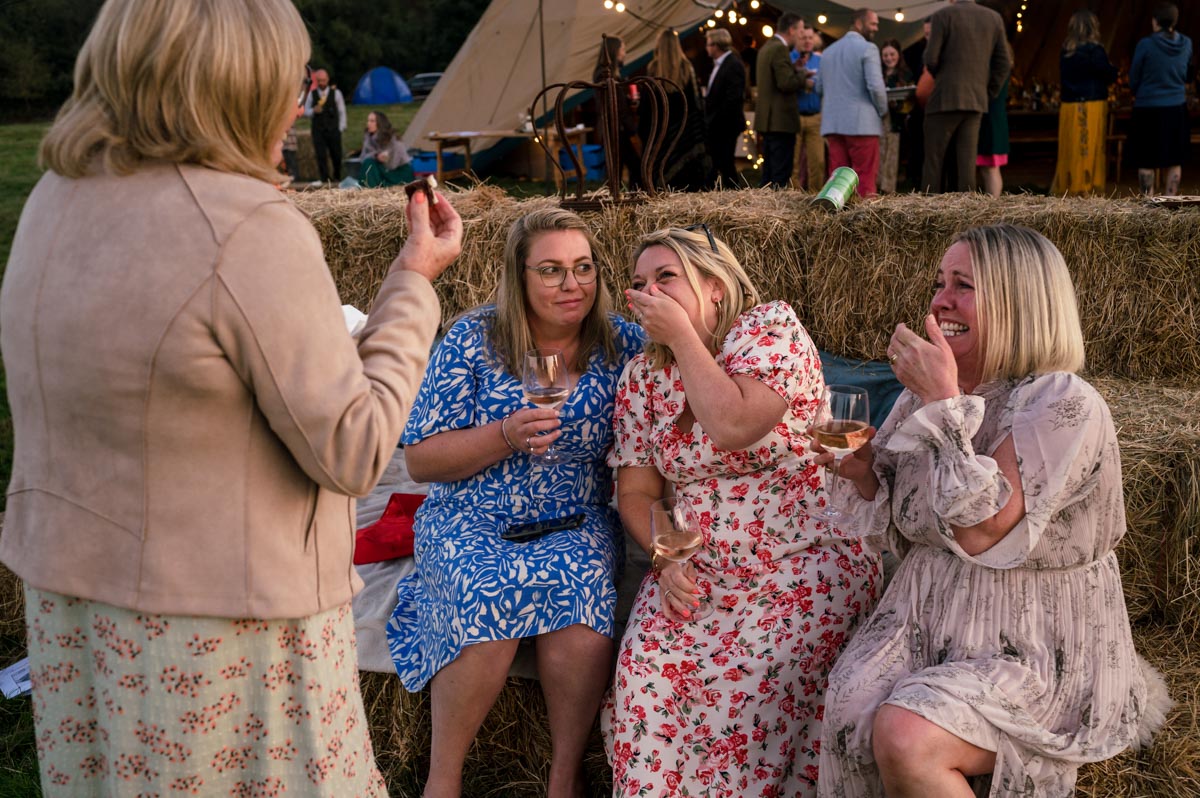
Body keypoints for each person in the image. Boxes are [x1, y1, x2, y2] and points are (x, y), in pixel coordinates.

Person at [0, 0, 464, 794]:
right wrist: (412, 284)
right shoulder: (245, 226)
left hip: (76, 602)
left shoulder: (56, 196)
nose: (296, 102)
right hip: (219, 628)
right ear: (231, 85)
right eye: (285, 81)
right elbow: (354, 447)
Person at [816, 224, 1172, 797]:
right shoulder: (923, 396)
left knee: (906, 735)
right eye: (939, 283)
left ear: (1018, 300)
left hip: (1033, 638)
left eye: (964, 285)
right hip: (925, 613)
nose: (941, 300)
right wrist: (861, 473)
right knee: (846, 708)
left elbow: (982, 529)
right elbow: (896, 519)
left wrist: (944, 404)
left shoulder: (1062, 403)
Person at [603, 226, 881, 795]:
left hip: (800, 560)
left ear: (715, 288)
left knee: (742, 695)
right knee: (644, 683)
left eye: (666, 278)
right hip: (697, 567)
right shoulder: (643, 377)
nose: (648, 292)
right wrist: (662, 554)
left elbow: (732, 426)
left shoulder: (770, 332)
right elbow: (636, 491)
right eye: (637, 284)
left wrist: (684, 338)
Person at [386, 208, 645, 798]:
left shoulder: (624, 343)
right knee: (487, 592)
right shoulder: (474, 338)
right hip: (471, 512)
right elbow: (421, 460)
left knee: (582, 608)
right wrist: (504, 435)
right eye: (550, 270)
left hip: (573, 516)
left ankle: (563, 777)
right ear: (519, 275)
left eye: (583, 268)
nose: (571, 284)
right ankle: (442, 779)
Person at [923, 0, 1011, 193]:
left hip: (944, 99)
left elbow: (931, 58)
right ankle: (965, 217)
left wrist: (944, 79)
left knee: (934, 163)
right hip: (976, 101)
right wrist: (988, 92)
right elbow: (1005, 62)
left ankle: (928, 215)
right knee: (967, 166)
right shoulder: (993, 18)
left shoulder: (943, 15)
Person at [817, 8, 888, 197]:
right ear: (859, 23)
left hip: (834, 124)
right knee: (864, 180)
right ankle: (864, 223)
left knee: (838, 182)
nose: (875, 29)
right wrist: (883, 111)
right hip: (862, 125)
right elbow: (876, 87)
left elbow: (818, 87)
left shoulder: (828, 52)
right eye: (873, 24)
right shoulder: (868, 49)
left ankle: (837, 222)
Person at [1130, 2, 1195, 196]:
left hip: (1147, 107)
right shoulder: (1187, 43)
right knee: (1174, 159)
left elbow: (1134, 77)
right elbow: (1188, 74)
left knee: (1146, 160)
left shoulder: (1146, 44)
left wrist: (1139, 90)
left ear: (1155, 21)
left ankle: (1147, 204)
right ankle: (1170, 201)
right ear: (1174, 21)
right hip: (1176, 106)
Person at [1052, 10, 1119, 196]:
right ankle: (1088, 188)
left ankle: (1071, 187)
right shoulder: (1095, 51)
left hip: (1070, 105)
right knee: (1090, 148)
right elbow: (1108, 74)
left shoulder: (1066, 51)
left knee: (1073, 148)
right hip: (1092, 105)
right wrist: (1113, 70)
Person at [639, 28, 711, 192]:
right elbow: (695, 103)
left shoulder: (653, 69)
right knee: (686, 185)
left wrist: (645, 132)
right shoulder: (687, 68)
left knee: (663, 180)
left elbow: (646, 107)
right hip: (685, 133)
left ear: (659, 46)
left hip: (661, 132)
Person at [756, 12, 810, 187]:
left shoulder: (767, 47)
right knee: (780, 175)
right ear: (792, 29)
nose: (802, 35)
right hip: (781, 121)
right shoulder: (780, 48)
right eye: (801, 30)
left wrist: (793, 68)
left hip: (768, 120)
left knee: (769, 174)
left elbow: (774, 77)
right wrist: (803, 77)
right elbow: (785, 83)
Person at [593, 35, 643, 191]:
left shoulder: (616, 74)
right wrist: (632, 130)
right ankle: (618, 201)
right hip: (615, 128)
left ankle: (631, 198)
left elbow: (618, 102)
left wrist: (628, 100)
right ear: (614, 51)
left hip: (620, 128)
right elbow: (613, 105)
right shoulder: (604, 74)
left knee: (630, 167)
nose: (624, 53)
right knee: (619, 170)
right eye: (622, 49)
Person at [703, 27, 747, 188]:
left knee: (724, 162)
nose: (706, 48)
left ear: (716, 45)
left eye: (708, 44)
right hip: (718, 123)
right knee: (720, 163)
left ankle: (732, 191)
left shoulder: (733, 65)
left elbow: (732, 99)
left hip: (725, 124)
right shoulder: (719, 65)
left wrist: (715, 119)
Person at [791, 26, 826, 190]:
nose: (807, 41)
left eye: (810, 38)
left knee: (818, 161)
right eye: (803, 38)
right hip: (794, 116)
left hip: (815, 117)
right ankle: (793, 197)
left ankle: (815, 197)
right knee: (793, 162)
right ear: (797, 39)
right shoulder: (790, 58)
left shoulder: (820, 61)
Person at [976, 46, 1011, 198]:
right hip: (992, 117)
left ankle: (994, 203)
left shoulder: (998, 67)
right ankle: (992, 202)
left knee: (991, 167)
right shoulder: (999, 65)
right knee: (986, 167)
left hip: (992, 119)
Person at [878, 39, 912, 194]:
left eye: (892, 54)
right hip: (878, 119)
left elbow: (910, 99)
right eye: (885, 55)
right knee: (879, 153)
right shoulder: (877, 73)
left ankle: (888, 190)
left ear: (898, 55)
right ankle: (876, 186)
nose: (889, 58)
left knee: (892, 155)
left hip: (896, 120)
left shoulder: (905, 73)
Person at [304, 67, 347, 183]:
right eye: (319, 80)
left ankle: (337, 177)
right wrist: (313, 111)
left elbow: (342, 111)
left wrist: (341, 127)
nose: (321, 83)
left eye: (323, 80)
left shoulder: (336, 94)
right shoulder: (311, 95)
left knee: (336, 155)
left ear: (327, 79)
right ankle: (325, 179)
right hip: (318, 130)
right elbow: (305, 111)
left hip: (333, 129)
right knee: (321, 155)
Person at [902, 21, 931, 188]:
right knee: (918, 146)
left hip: (933, 108)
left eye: (930, 34)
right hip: (919, 109)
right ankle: (916, 179)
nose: (927, 37)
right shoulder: (918, 51)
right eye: (925, 34)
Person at [358, 111, 416, 188]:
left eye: (372, 121)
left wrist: (383, 159)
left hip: (398, 173)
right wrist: (376, 156)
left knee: (370, 163)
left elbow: (392, 165)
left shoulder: (393, 141)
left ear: (380, 123)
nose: (368, 123)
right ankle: (370, 187)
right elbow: (363, 158)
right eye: (368, 121)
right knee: (369, 163)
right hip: (384, 170)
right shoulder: (369, 139)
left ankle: (375, 187)